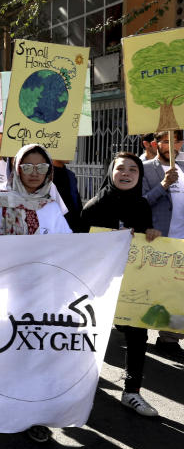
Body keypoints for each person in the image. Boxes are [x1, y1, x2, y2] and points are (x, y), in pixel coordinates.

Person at [0, 144, 70, 443]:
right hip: (4, 292)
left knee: (35, 353)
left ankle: (33, 415)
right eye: (27, 167)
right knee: (3, 349)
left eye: (41, 167)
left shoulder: (52, 205)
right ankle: (1, 408)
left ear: (49, 171)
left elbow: (69, 246)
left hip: (41, 294)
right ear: (16, 168)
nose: (34, 174)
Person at [81, 153, 161, 417]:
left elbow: (145, 239)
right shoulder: (93, 207)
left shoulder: (141, 205)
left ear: (139, 176)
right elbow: (79, 248)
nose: (126, 173)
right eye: (120, 169)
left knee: (137, 335)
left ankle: (132, 392)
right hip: (99, 285)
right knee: (92, 335)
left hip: (132, 284)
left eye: (133, 170)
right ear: (111, 172)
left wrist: (151, 234)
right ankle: (81, 388)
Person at [140, 130, 184, 356]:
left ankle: (170, 339)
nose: (171, 146)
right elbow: (139, 205)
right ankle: (136, 333)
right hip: (155, 242)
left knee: (177, 292)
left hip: (180, 244)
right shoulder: (146, 169)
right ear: (156, 144)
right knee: (148, 292)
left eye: (175, 141)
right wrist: (164, 185)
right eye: (165, 141)